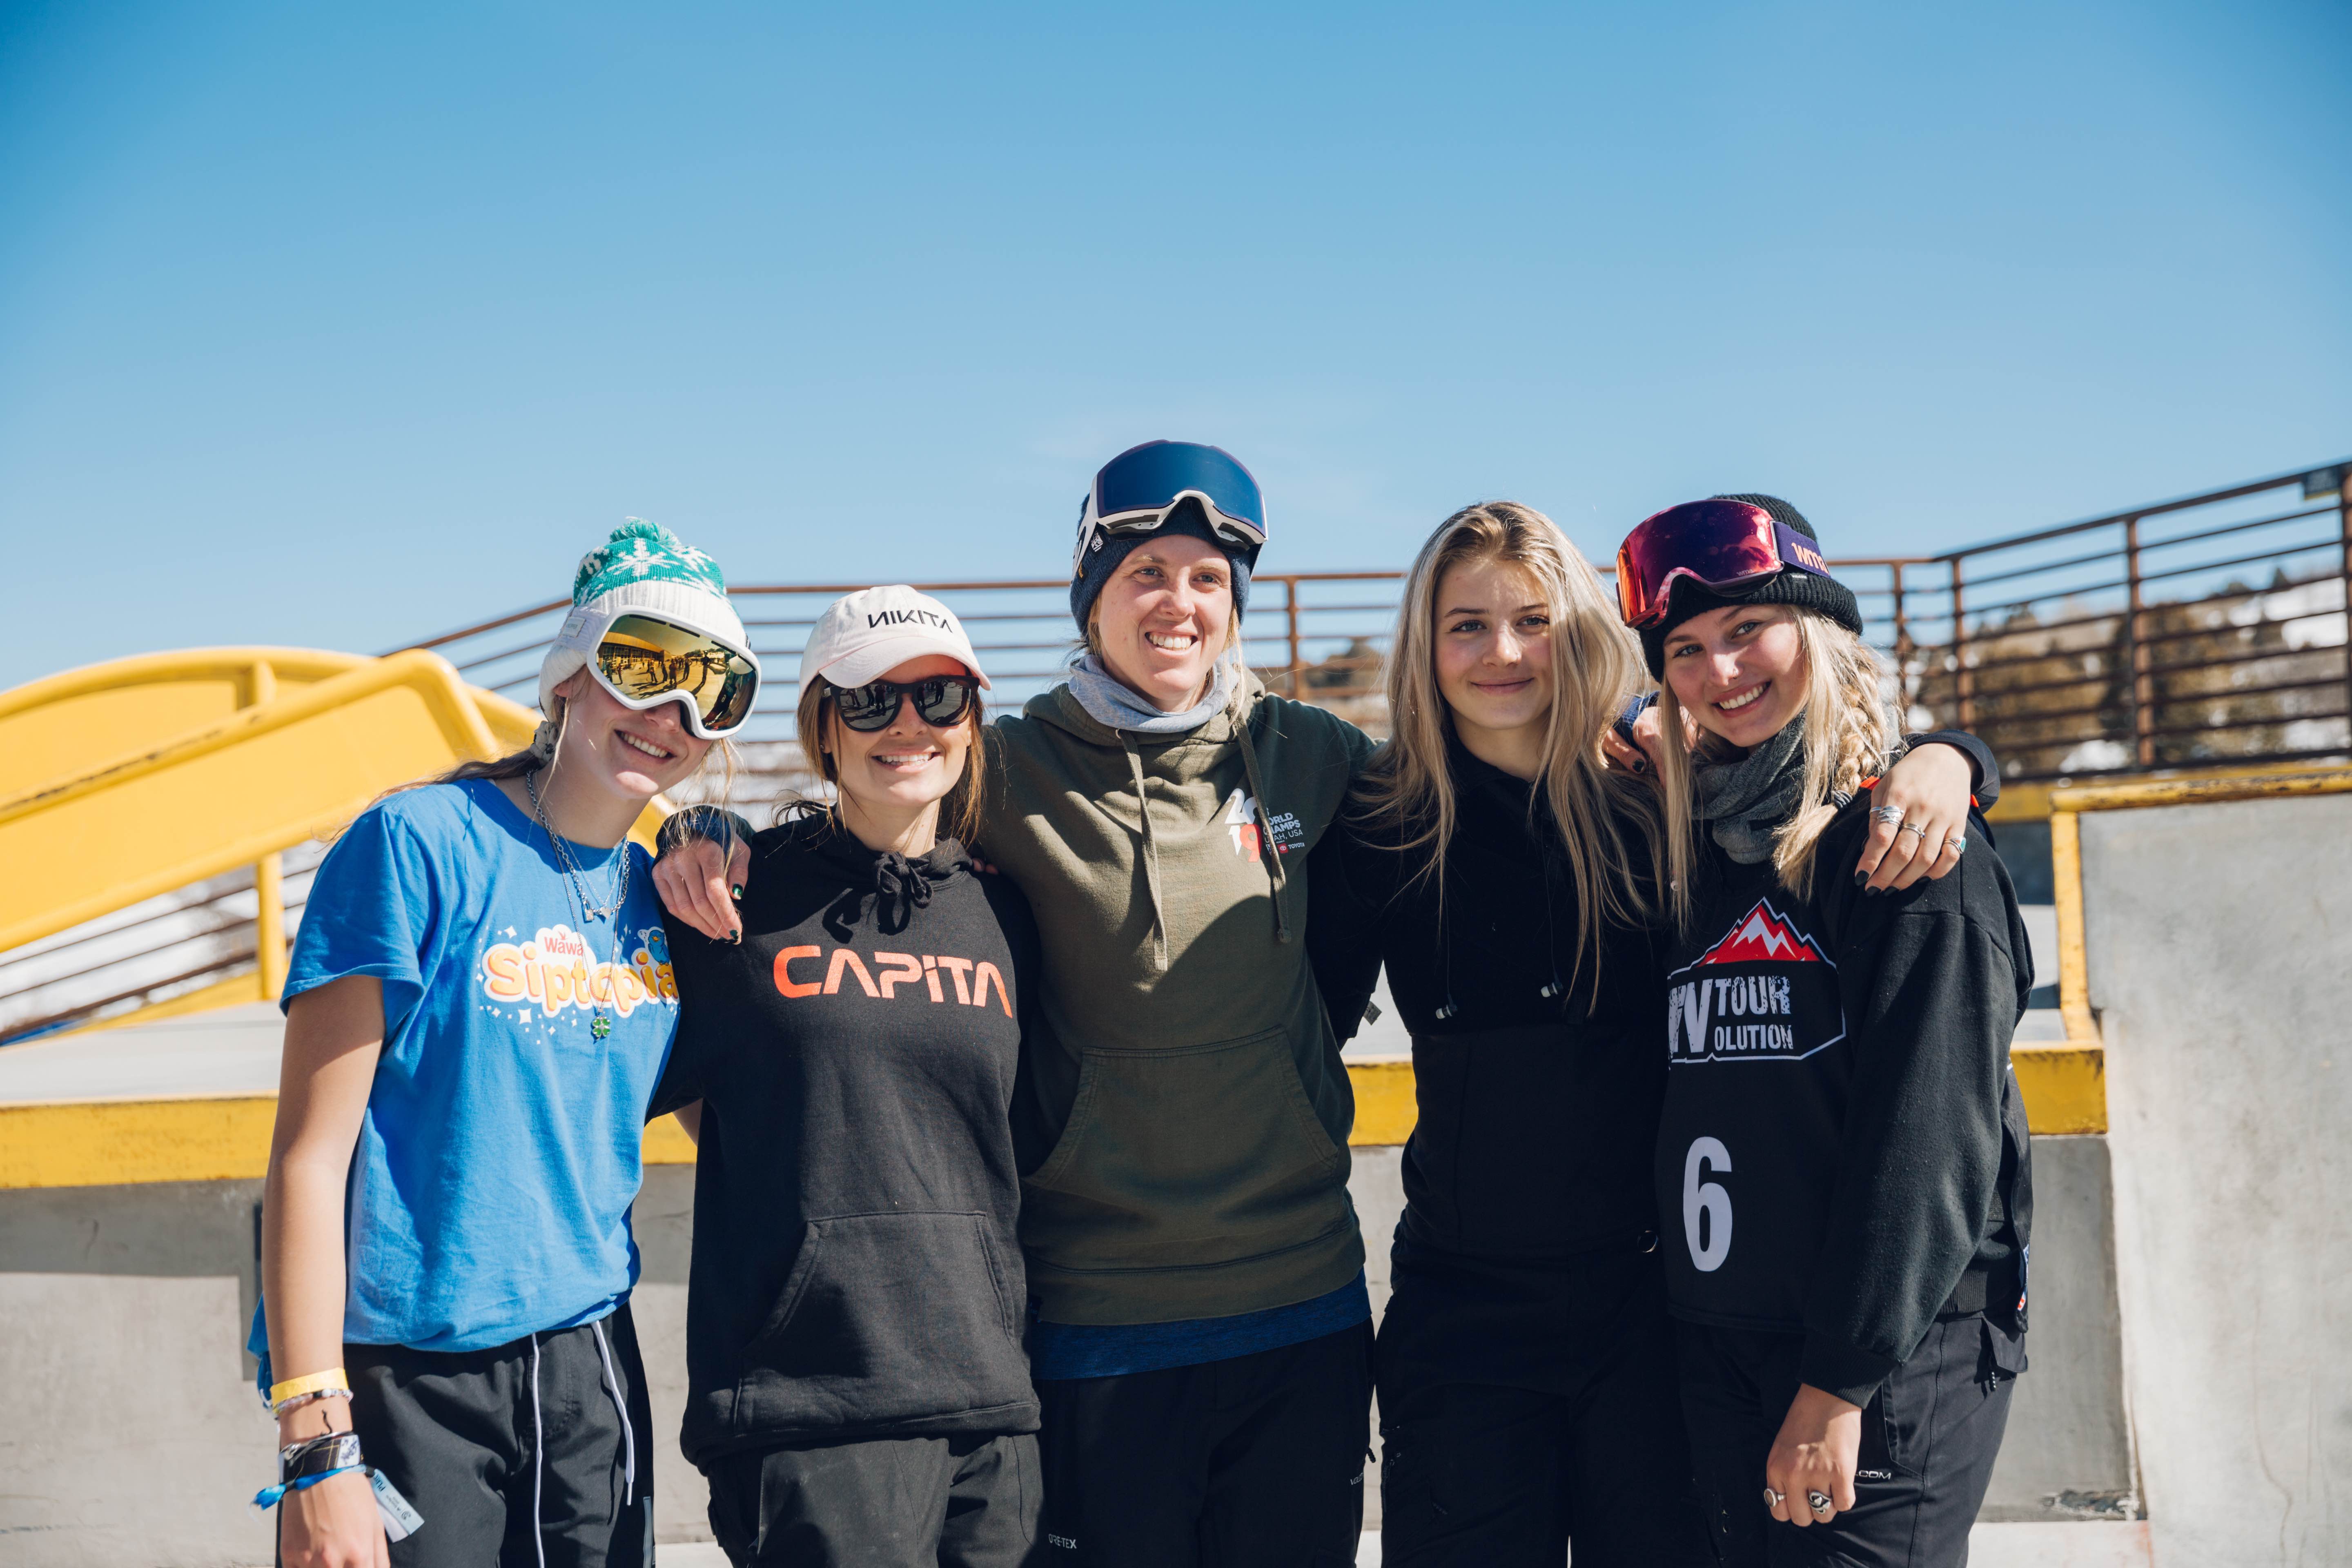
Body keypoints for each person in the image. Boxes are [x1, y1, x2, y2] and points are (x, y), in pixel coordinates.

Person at [659, 441, 1379, 1566]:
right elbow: (867, 809)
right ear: (1091, 599)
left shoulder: (1315, 754)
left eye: (1206, 580)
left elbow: (1475, 776)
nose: (1177, 604)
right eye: (1145, 574)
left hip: (1302, 1297)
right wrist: (704, 831)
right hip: (1096, 1317)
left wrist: (1629, 728)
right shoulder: (1001, 766)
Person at [1309, 503, 1994, 1567]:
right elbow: (1286, 1020)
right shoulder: (1384, 825)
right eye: (1466, 625)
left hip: (1654, 1321)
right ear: (1423, 645)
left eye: (1534, 620)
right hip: (1467, 1322)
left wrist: (1949, 756)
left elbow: (1811, 778)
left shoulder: (1653, 807)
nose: (1502, 652)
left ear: (1580, 635)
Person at [254, 519, 760, 1567]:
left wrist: (732, 842)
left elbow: (744, 1119)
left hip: (593, 1370)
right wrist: (316, 1445)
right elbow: (307, 1159)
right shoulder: (419, 845)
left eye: (715, 688)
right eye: (645, 666)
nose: (674, 713)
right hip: (412, 1376)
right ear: (571, 673)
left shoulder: (663, 893)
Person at [1618, 494, 2034, 1566]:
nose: (1721, 672)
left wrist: (1839, 1380)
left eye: (1751, 630)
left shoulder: (1906, 849)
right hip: (1721, 1342)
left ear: (1822, 631)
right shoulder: (1691, 842)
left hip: (1878, 1370)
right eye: (1688, 650)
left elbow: (1930, 1143)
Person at [645, 586, 1048, 1567]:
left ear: (972, 721)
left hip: (993, 1405)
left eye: (939, 698)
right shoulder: (734, 897)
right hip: (812, 1410)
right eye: (870, 701)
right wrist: (682, 832)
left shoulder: (1011, 915)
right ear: (823, 727)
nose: (907, 726)